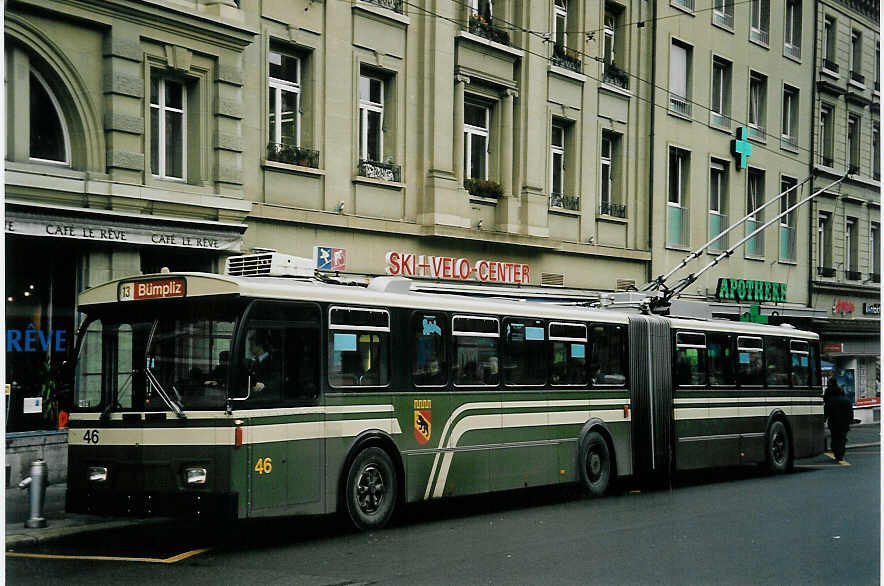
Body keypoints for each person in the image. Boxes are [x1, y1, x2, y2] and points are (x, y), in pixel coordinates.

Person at [823, 369, 853, 464]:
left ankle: (836, 451)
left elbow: (826, 410)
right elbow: (850, 411)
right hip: (844, 422)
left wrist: (824, 419)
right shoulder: (846, 401)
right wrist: (850, 420)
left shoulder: (830, 400)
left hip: (834, 421)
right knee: (842, 437)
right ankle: (840, 453)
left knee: (834, 437)